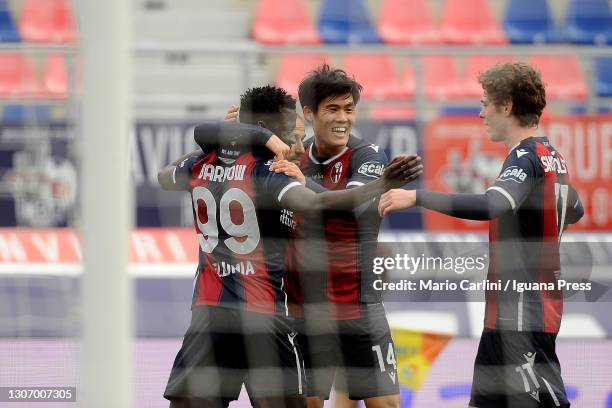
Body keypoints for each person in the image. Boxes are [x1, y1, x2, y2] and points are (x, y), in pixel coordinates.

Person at [159, 85, 421, 408]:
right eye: (291, 136)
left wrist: (226, 136)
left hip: (211, 317)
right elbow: (322, 204)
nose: (297, 145)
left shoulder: (200, 165)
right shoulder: (272, 173)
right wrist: (382, 186)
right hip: (268, 320)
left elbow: (163, 176)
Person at [378, 62, 584, 408]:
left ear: (506, 106)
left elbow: (493, 205)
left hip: (522, 315)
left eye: (486, 103)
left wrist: (417, 196)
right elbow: (574, 208)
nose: (480, 112)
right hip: (506, 315)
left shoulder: (524, 158)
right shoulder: (552, 156)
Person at [280, 64, 411, 408]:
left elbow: (347, 208)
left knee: (386, 405)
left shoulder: (368, 157)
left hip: (360, 306)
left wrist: (301, 181)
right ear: (309, 113)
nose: (343, 118)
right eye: (333, 109)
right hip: (306, 310)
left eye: (349, 109)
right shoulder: (295, 155)